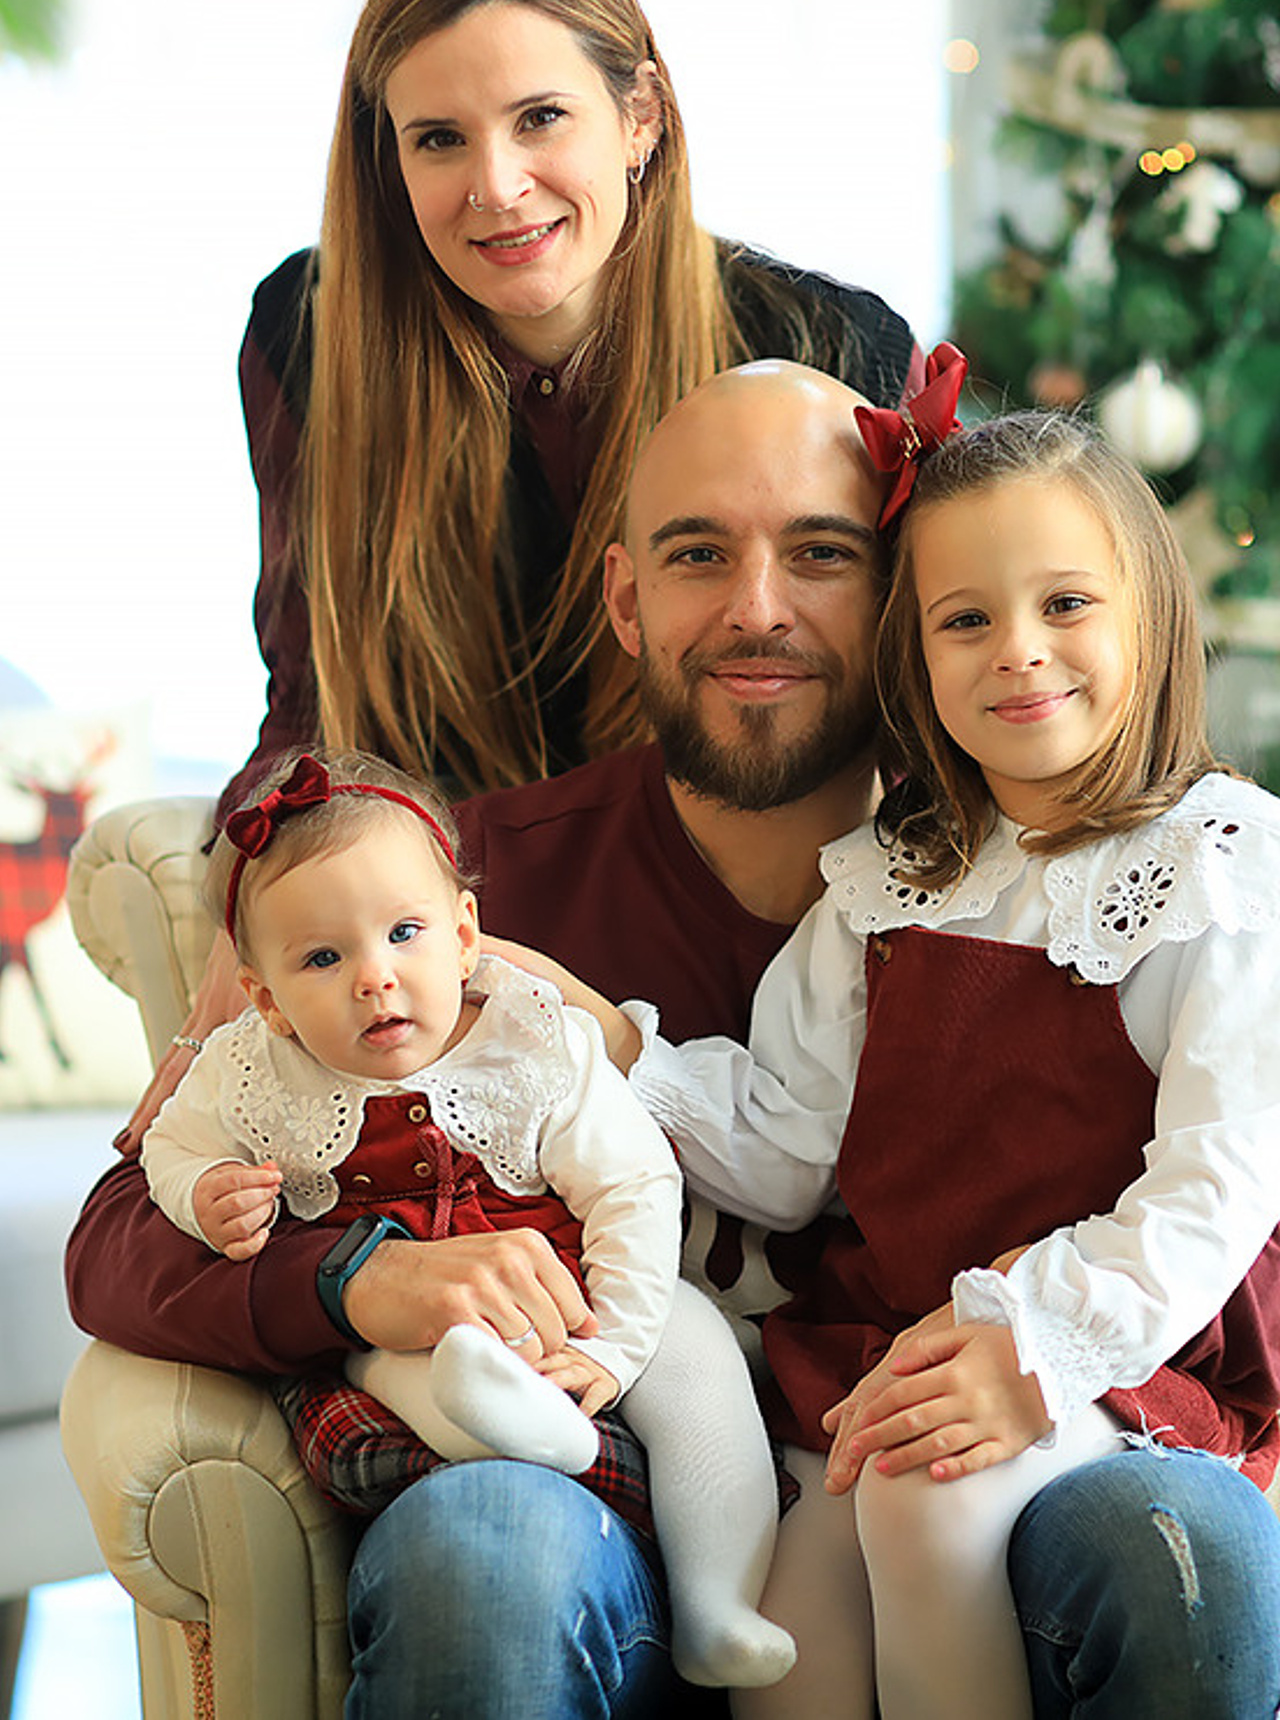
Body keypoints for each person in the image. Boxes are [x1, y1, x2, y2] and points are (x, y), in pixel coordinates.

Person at [66, 363, 1280, 1715]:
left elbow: (1221, 1174)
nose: (758, 607)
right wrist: (355, 1279)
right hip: (661, 1472)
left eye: (820, 553)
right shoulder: (430, 904)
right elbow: (122, 1238)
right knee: (538, 1558)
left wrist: (1049, 1340)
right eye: (701, 554)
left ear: (882, 601)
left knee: (1167, 1542)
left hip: (1015, 1399)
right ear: (627, 599)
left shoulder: (1193, 871)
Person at [141, 0, 916, 1123]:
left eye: (540, 118)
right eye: (438, 139)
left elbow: (896, 692)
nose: (496, 188)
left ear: (639, 117)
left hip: (743, 931)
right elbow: (310, 694)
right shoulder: (307, 332)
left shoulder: (821, 344)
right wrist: (259, 886)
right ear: (387, 163)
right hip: (451, 940)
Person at [615, 398, 1280, 1717]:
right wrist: (607, 1053)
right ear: (913, 660)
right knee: (790, 1617)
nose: (1019, 654)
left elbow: (1216, 1185)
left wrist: (1029, 1342)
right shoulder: (885, 885)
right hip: (898, 1344)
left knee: (922, 1494)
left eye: (1066, 605)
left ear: (1148, 612)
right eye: (965, 619)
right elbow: (790, 1150)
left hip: (1120, 1345)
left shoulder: (1221, 864)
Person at [141, 746, 794, 1690]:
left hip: (580, 1289)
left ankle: (718, 1601)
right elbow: (169, 1145)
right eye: (323, 958)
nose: (375, 977)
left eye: (404, 932)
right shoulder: (252, 1071)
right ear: (265, 1000)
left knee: (702, 1372)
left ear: (465, 933)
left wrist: (617, 1341)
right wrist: (207, 1195)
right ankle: (515, 1425)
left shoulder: (535, 1043)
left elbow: (636, 1187)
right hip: (408, 1328)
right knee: (398, 1371)